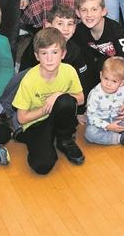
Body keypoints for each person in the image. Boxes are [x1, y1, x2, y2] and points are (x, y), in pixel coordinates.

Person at [12, 28, 86, 174]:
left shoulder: (69, 71)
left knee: (65, 100)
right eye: (44, 53)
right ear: (37, 56)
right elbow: (21, 118)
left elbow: (81, 99)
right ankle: (34, 138)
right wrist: (46, 108)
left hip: (59, 119)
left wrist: (59, 95)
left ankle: (65, 140)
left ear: (63, 54)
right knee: (42, 166)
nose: (50, 59)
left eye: (55, 52)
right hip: (36, 123)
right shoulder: (29, 79)